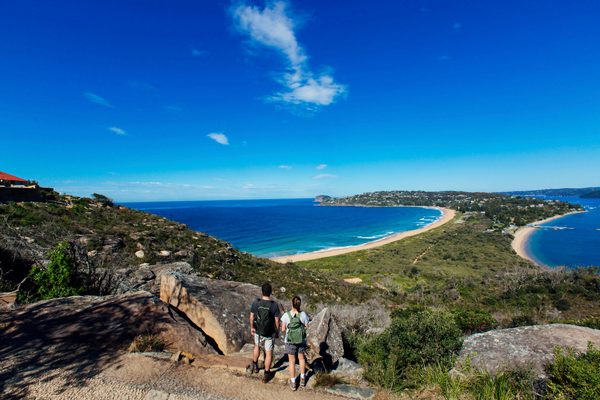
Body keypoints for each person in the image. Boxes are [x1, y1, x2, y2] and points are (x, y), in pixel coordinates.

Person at [249, 283, 281, 383]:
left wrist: (252, 327)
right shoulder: (274, 305)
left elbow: (251, 317)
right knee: (268, 353)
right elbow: (277, 321)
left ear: (262, 292)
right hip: (270, 332)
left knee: (257, 346)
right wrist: (277, 332)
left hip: (258, 330)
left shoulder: (256, 303)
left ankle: (255, 365)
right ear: (270, 293)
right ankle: (266, 374)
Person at [280, 296, 309, 391]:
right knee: (301, 358)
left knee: (291, 362)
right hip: (301, 340)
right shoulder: (303, 314)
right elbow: (306, 326)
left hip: (290, 341)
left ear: (291, 303)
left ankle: (293, 382)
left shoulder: (286, 315)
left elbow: (283, 329)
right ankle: (303, 379)